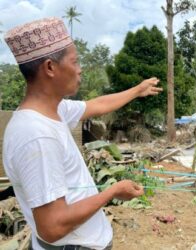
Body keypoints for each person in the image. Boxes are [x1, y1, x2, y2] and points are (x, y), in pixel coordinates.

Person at [2, 17, 162, 250]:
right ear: (50, 67)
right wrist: (113, 192)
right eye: (75, 61)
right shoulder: (37, 136)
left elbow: (96, 105)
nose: (80, 69)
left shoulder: (54, 110)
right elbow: (52, 227)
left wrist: (137, 90)